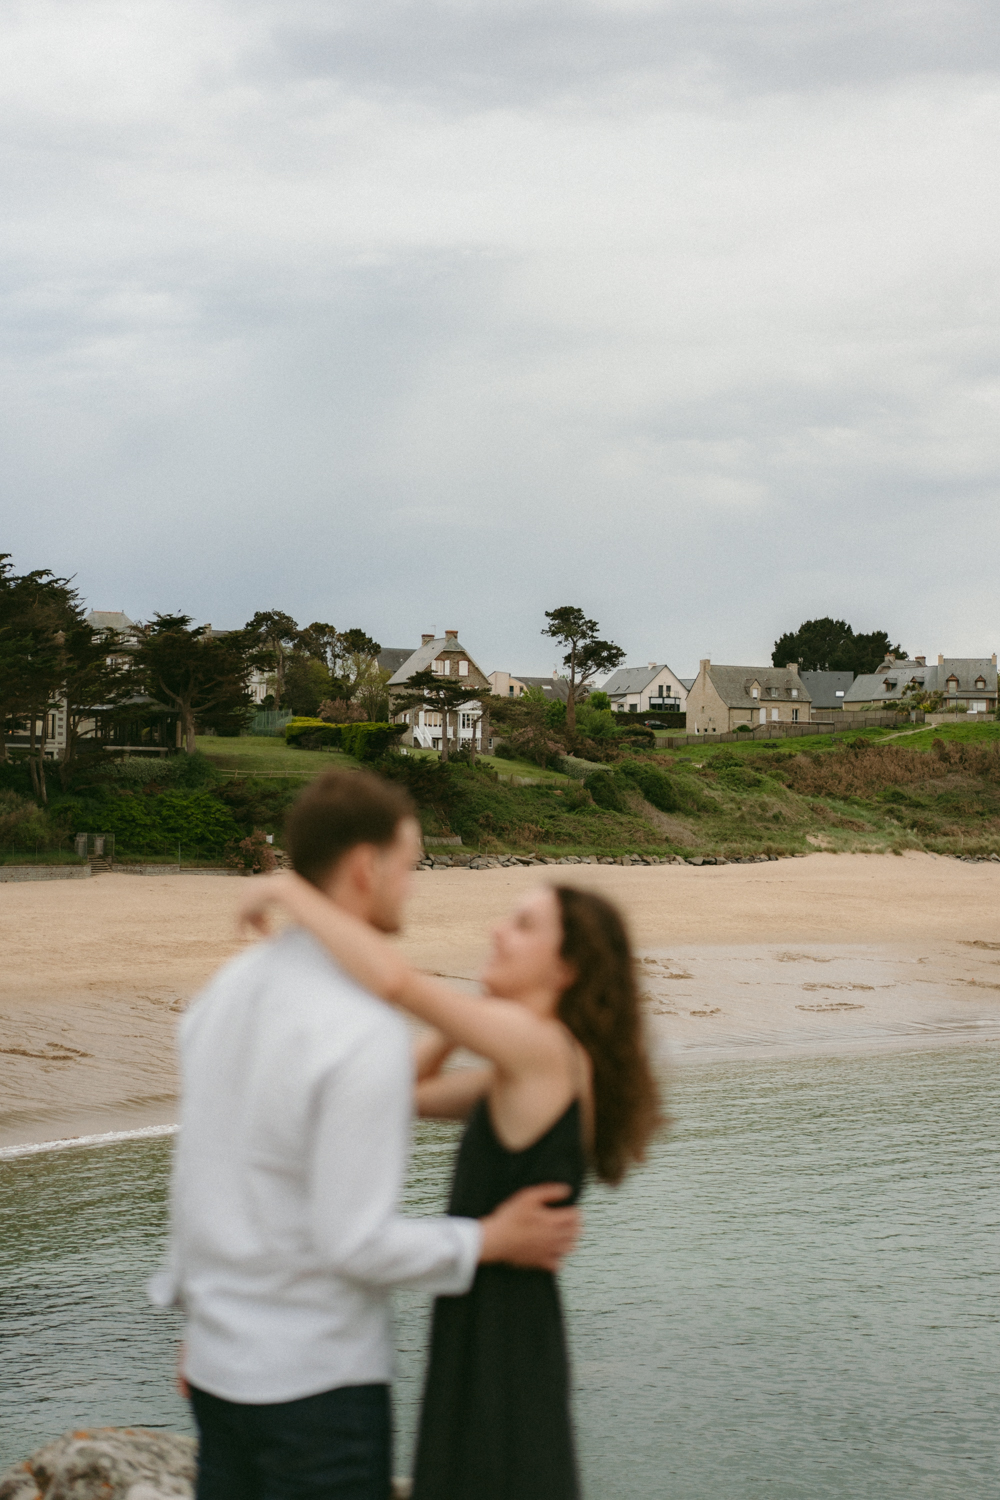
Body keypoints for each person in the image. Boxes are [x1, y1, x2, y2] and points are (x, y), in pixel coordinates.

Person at [149, 768, 581, 1500]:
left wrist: (197, 1316)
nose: (413, 886)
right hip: (318, 1391)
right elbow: (356, 1245)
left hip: (219, 1375)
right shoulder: (362, 1033)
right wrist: (488, 1241)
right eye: (409, 866)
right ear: (363, 869)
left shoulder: (222, 995)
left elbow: (200, 1181)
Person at [240, 821, 664, 1500]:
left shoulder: (544, 1049)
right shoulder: (521, 1071)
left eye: (523, 926)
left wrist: (295, 889)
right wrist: (460, 1016)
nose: (498, 932)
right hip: (490, 1319)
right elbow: (396, 1093)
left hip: (503, 1336)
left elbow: (393, 980)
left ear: (565, 969)